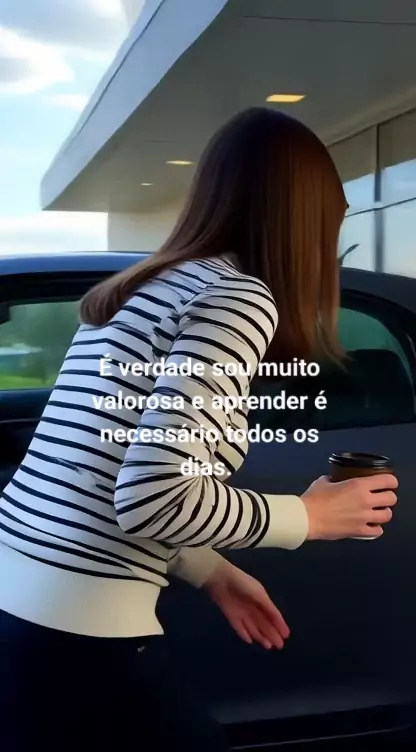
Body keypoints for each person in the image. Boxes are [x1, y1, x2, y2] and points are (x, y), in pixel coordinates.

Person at [0, 107, 398, 751]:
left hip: (21, 601)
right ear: (304, 219)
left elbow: (95, 470)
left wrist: (212, 572)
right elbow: (153, 495)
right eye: (334, 218)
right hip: (80, 635)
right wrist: (309, 516)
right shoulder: (237, 299)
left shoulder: (142, 287)